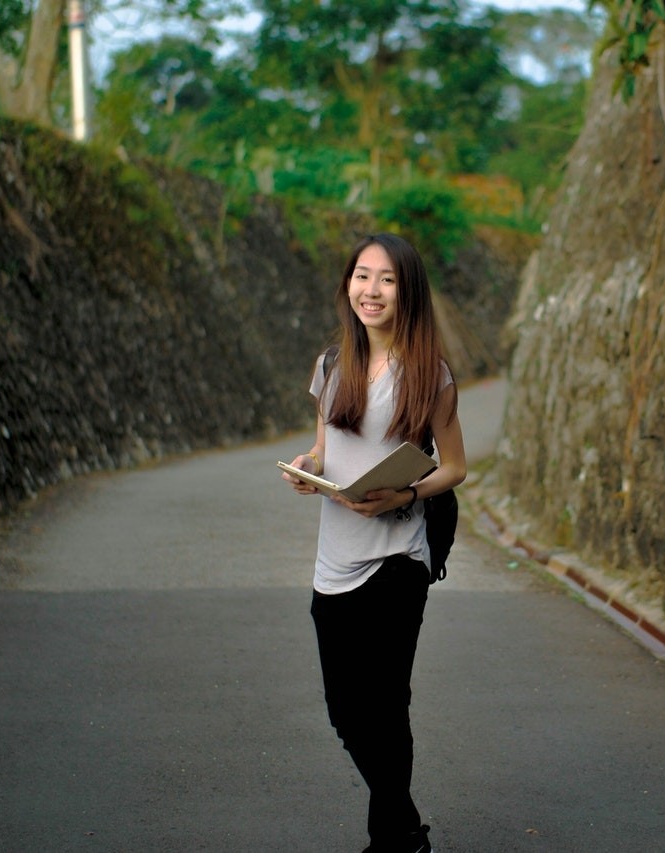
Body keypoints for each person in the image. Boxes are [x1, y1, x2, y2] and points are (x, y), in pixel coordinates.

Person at [282, 232, 466, 853]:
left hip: (397, 557)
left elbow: (454, 468)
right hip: (333, 559)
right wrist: (308, 466)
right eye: (363, 276)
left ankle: (391, 841)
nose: (372, 290)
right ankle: (407, 827)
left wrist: (404, 497)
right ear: (348, 285)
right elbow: (327, 449)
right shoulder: (333, 365)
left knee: (385, 706)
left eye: (386, 279)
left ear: (406, 290)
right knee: (345, 712)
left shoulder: (430, 375)